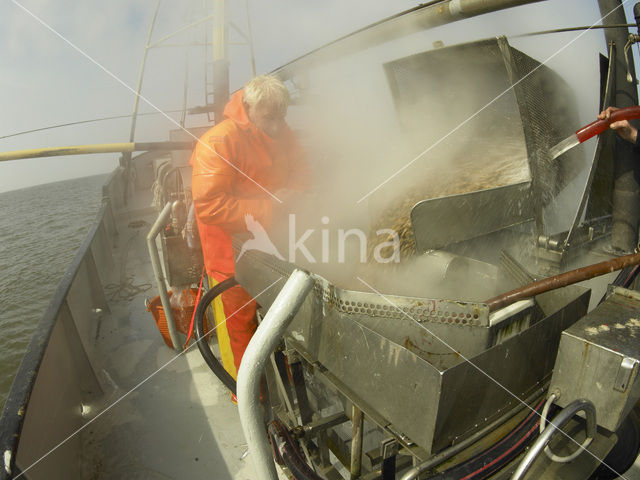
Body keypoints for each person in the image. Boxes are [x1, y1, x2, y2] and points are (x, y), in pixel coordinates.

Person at [190, 75, 309, 398]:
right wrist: (271, 207)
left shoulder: (284, 135)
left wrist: (294, 194)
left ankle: (286, 387)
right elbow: (210, 207)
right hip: (229, 258)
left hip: (274, 249)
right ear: (248, 109)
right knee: (239, 330)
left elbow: (301, 171)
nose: (276, 126)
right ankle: (247, 398)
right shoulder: (218, 143)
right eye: (269, 118)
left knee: (278, 320)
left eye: (281, 117)